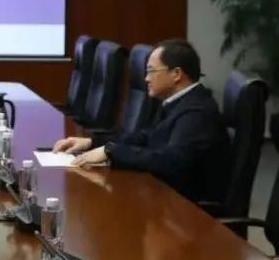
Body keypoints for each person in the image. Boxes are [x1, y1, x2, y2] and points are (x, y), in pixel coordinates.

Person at [53, 39, 230, 203]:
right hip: (165, 195)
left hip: (188, 210)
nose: (146, 78)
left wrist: (112, 151)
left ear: (176, 74)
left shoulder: (197, 112)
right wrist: (94, 142)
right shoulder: (177, 102)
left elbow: (171, 161)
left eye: (151, 71)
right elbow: (146, 137)